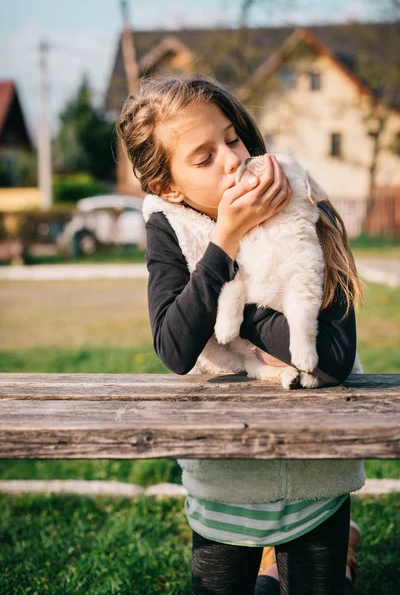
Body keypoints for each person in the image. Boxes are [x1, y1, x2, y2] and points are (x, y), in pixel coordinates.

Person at [117, 75, 365, 595]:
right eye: (203, 157)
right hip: (226, 474)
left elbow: (334, 358)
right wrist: (225, 240)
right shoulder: (169, 226)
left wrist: (240, 308)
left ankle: (330, 557)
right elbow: (174, 348)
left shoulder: (305, 201)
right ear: (168, 187)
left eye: (232, 138)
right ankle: (276, 569)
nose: (233, 159)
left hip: (316, 470)